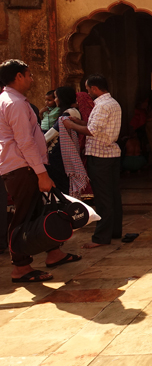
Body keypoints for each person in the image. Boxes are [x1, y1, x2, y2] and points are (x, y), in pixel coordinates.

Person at [0, 60, 79, 282]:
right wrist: (41, 173)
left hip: (25, 166)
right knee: (23, 216)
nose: (32, 79)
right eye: (29, 75)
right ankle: (21, 267)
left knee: (40, 211)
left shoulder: (12, 100)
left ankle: (54, 252)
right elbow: (24, 142)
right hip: (22, 167)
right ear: (18, 76)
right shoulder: (14, 103)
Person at [63, 74, 122, 249]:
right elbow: (97, 127)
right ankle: (114, 231)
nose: (87, 92)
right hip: (110, 154)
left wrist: (72, 126)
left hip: (100, 156)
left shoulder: (102, 106)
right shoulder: (112, 103)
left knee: (103, 198)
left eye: (88, 89)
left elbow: (93, 131)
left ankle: (101, 237)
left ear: (95, 88)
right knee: (113, 196)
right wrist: (79, 122)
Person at [45, 86, 87, 196]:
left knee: (62, 185)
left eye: (56, 97)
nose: (55, 100)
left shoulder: (70, 113)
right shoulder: (68, 112)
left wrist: (39, 141)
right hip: (58, 155)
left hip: (61, 156)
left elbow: (54, 131)